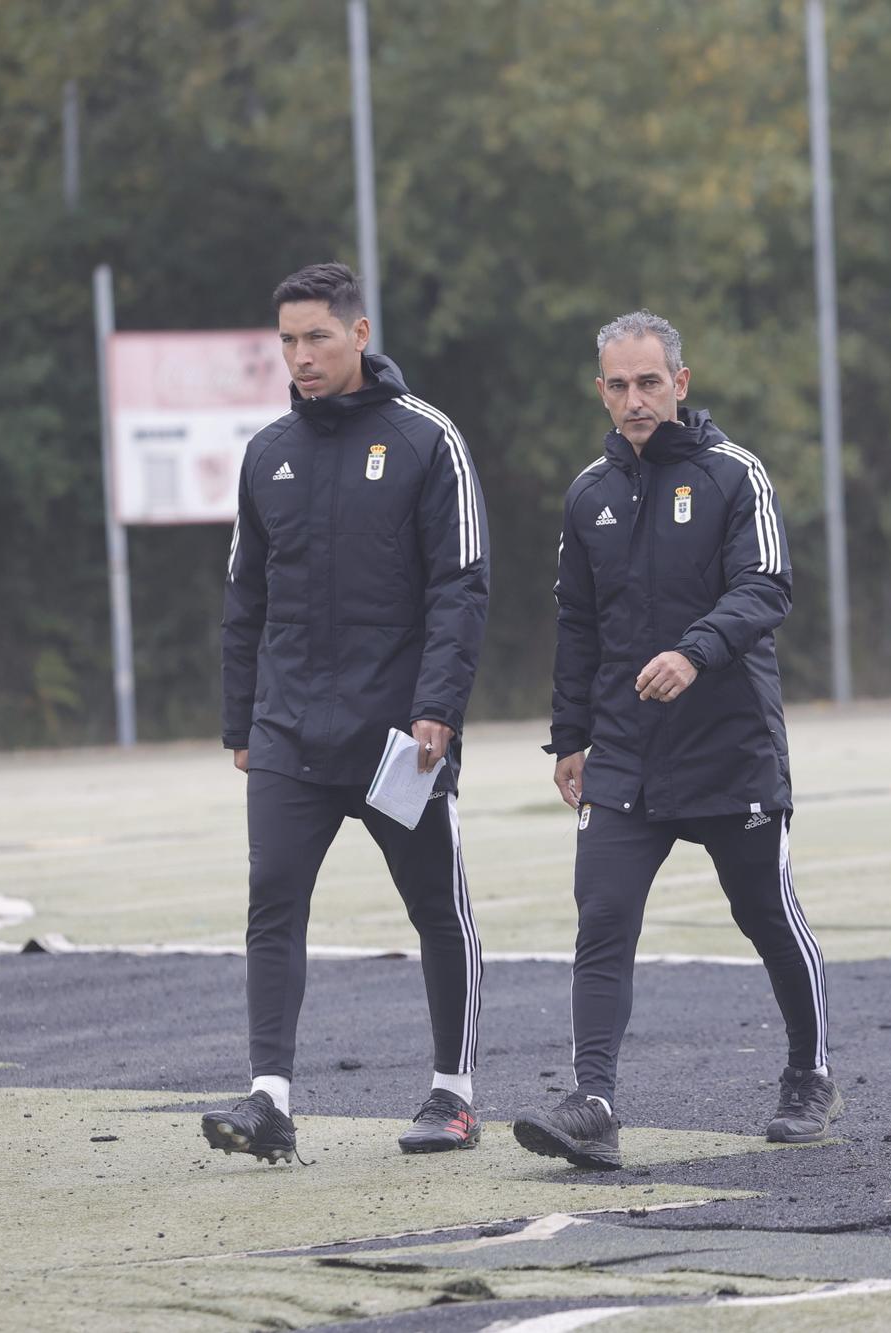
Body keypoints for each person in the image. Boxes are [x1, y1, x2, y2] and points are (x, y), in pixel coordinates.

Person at [510, 311, 839, 1169]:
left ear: (681, 384)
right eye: (618, 385)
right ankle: (594, 1103)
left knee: (764, 915)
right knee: (603, 917)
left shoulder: (735, 476)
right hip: (623, 754)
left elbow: (767, 584)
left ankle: (809, 1072)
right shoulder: (588, 493)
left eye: (649, 382)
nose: (634, 399)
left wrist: (695, 653)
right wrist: (569, 738)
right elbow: (577, 623)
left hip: (731, 747)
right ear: (601, 392)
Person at [204, 262, 490, 1164]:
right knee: (272, 902)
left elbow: (462, 585)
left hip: (396, 736)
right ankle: (270, 1102)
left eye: (317, 337)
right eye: (287, 341)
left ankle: (454, 1092)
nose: (301, 357)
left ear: (360, 335)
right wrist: (241, 721)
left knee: (435, 908)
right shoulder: (267, 453)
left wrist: (438, 707)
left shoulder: (426, 439)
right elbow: (244, 593)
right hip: (289, 728)